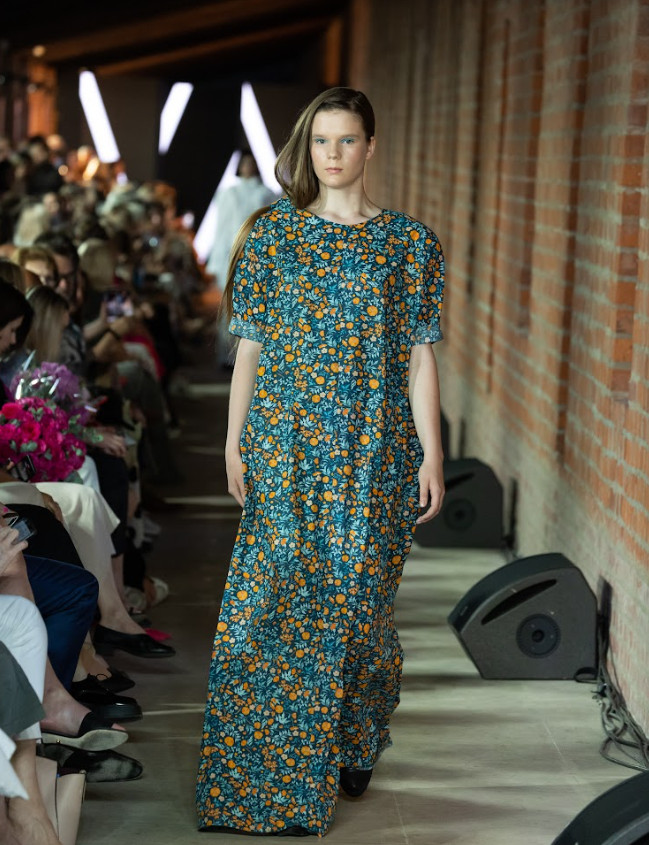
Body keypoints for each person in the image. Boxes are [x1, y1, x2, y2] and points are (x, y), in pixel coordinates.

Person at [196, 87, 446, 836]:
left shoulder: (409, 244)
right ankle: (256, 784)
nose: (333, 155)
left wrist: (433, 453)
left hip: (376, 454)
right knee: (265, 607)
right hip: (286, 448)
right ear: (307, 149)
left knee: (361, 611)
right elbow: (249, 348)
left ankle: (358, 731)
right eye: (320, 141)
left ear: (370, 146)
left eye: (347, 140)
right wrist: (233, 440)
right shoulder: (272, 236)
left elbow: (420, 359)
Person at [206, 150, 276, 367]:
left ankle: (248, 359)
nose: (248, 166)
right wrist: (216, 260)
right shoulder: (227, 193)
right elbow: (221, 228)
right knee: (229, 304)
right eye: (244, 163)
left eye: (251, 162)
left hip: (257, 254)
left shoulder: (266, 193)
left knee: (254, 305)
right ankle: (226, 356)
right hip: (229, 253)